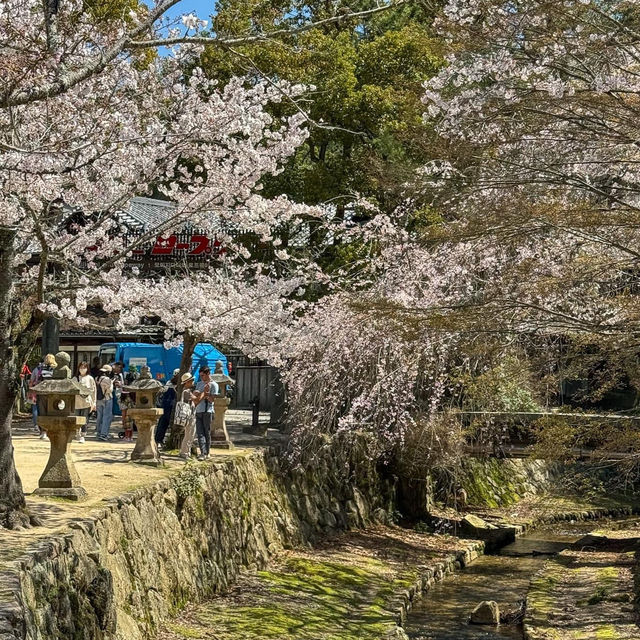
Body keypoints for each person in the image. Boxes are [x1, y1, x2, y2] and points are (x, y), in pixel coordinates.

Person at [191, 366, 218, 460]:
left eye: (203, 375)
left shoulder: (213, 385)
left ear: (208, 374)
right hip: (198, 410)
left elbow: (212, 400)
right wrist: (196, 393)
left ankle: (207, 452)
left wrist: (206, 394)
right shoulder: (199, 384)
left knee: (206, 432)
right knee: (199, 433)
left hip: (207, 411)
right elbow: (195, 397)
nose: (202, 377)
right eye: (200, 376)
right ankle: (203, 452)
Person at [29, 353, 57, 439]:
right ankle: (50, 430)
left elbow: (32, 380)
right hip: (52, 394)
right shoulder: (56, 370)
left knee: (41, 412)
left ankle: (43, 431)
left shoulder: (39, 369)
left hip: (40, 393)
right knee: (51, 412)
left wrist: (31, 391)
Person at [72, 361, 96, 443]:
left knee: (85, 419)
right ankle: (77, 433)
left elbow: (93, 391)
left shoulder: (90, 378)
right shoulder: (75, 379)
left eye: (84, 368)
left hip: (86, 401)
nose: (82, 369)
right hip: (77, 402)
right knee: (77, 418)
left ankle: (83, 435)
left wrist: (94, 402)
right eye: (81, 368)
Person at [155, 372, 178, 449]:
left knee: (168, 425)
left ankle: (165, 441)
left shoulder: (178, 384)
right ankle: (158, 440)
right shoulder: (169, 383)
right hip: (167, 406)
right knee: (162, 424)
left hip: (173, 407)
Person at [178, 373, 196, 460]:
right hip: (189, 415)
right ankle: (184, 452)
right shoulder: (186, 392)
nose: (193, 382)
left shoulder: (187, 391)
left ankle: (186, 452)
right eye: (191, 380)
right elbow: (195, 400)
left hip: (190, 415)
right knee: (189, 434)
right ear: (187, 382)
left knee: (190, 434)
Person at [95, 364, 114, 441]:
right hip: (107, 399)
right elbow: (110, 390)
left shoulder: (97, 378)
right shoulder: (107, 379)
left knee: (99, 416)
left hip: (98, 399)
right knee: (107, 417)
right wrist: (112, 383)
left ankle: (98, 432)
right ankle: (104, 434)